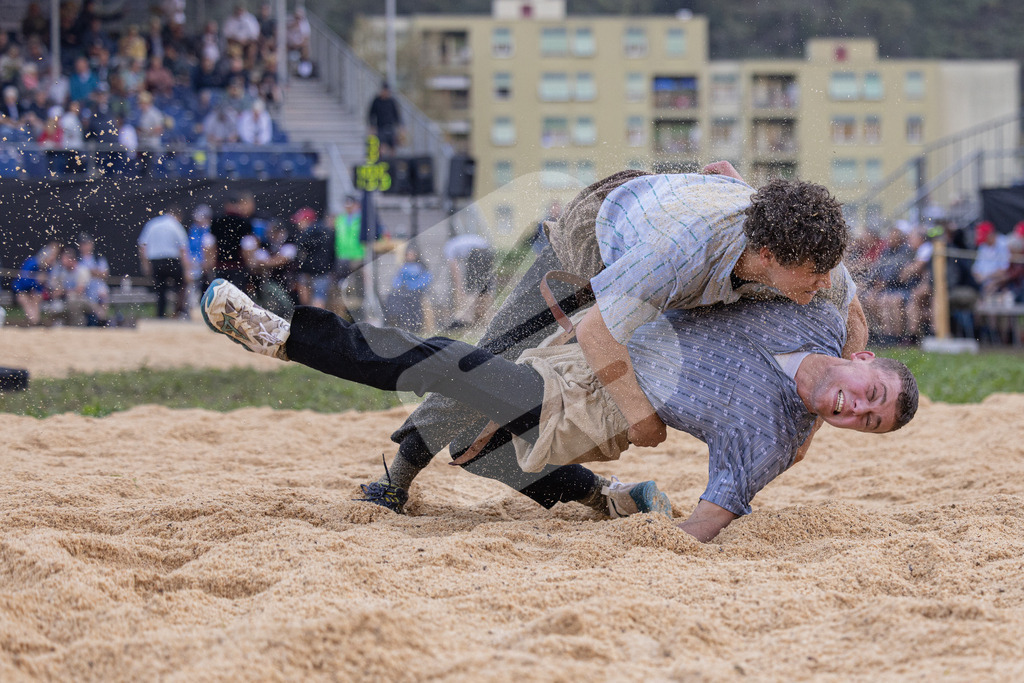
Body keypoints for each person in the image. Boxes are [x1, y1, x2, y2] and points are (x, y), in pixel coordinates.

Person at [200, 277, 917, 541]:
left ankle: (288, 336)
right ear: (864, 362)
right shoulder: (822, 317)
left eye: (869, 421)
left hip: (591, 411)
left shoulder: (770, 441)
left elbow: (706, 522)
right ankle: (606, 495)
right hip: (582, 351)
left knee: (454, 365)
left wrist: (670, 537)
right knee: (474, 437)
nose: (859, 408)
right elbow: (844, 283)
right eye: (872, 394)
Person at [361, 165, 867, 514]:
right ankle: (396, 480)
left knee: (488, 439)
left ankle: (604, 496)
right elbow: (597, 329)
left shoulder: (808, 252)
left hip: (669, 228)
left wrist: (811, 425)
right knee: (489, 365)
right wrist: (640, 415)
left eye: (827, 270)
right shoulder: (674, 256)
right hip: (590, 243)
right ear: (768, 254)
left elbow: (853, 315)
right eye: (813, 273)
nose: (823, 282)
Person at [137, 205, 190, 318]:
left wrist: (145, 264)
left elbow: (143, 245)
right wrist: (186, 269)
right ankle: (178, 312)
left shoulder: (152, 224)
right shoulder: (176, 225)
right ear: (178, 216)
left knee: (160, 290)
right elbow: (183, 248)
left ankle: (160, 315)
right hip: (172, 260)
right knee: (181, 286)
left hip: (155, 261)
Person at [206, 190, 258, 295]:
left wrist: (209, 264)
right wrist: (250, 265)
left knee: (221, 295)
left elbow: (210, 245)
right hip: (238, 266)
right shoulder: (244, 222)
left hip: (220, 265)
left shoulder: (217, 221)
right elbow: (247, 246)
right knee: (237, 296)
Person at [443, 231, 495, 330]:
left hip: (477, 253)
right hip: (488, 251)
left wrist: (460, 288)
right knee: (485, 287)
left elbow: (455, 270)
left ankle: (466, 320)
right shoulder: (458, 243)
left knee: (471, 289)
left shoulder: (448, 249)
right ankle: (488, 319)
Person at [383, 244, 432, 333]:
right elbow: (397, 279)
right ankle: (394, 320)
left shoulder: (422, 267)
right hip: (403, 291)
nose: (410, 256)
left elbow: (425, 280)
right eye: (408, 254)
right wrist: (398, 286)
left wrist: (413, 286)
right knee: (393, 297)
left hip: (416, 291)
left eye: (412, 254)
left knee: (412, 302)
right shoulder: (403, 267)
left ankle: (414, 325)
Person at [291, 207, 334, 309]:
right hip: (322, 271)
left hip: (307, 271)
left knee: (308, 301)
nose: (297, 224)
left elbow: (300, 254)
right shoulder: (327, 232)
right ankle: (316, 322)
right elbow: (332, 253)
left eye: (299, 221)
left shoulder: (305, 234)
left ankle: (310, 322)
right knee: (319, 298)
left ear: (307, 220)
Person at [11, 242, 59, 326]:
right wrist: (36, 281)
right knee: (24, 298)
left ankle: (34, 321)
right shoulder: (32, 262)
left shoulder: (48, 268)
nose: (52, 260)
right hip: (21, 291)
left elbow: (43, 287)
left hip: (34, 292)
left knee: (36, 297)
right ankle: (35, 322)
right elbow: (22, 282)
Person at [367, 82, 402, 155]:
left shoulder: (391, 101)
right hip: (380, 127)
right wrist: (372, 126)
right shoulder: (376, 101)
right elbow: (371, 114)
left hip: (390, 127)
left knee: (393, 147)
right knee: (382, 147)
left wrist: (400, 127)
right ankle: (382, 162)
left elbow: (397, 115)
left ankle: (392, 163)